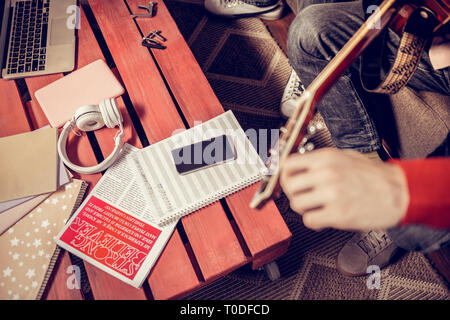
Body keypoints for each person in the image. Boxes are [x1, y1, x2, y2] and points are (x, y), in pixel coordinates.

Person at [279, 0, 450, 276]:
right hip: (433, 35)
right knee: (309, 32)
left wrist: (396, 192)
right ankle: (365, 162)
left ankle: (384, 214)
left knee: (412, 226)